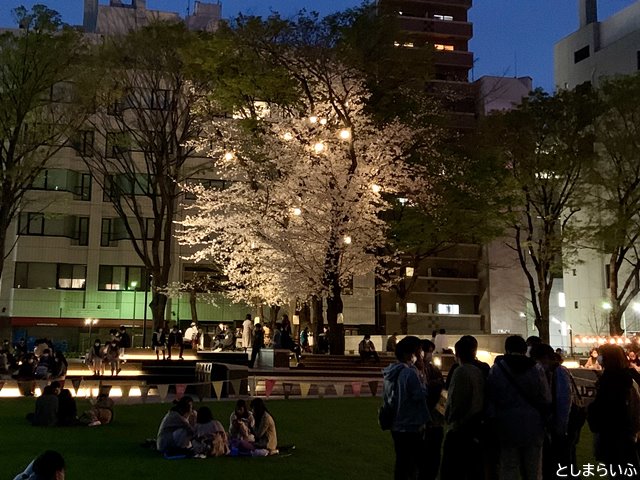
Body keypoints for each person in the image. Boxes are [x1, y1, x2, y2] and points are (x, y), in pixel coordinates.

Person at [486, 335, 551, 480]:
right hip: (533, 425)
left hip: (506, 425)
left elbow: (491, 398)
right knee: (533, 469)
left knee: (509, 467)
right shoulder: (536, 368)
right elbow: (546, 397)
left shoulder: (497, 369)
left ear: (507, 349)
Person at [382, 336, 430, 480]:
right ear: (411, 353)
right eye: (419, 351)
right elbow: (420, 394)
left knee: (402, 463)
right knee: (417, 464)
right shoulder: (410, 373)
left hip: (396, 424)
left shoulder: (391, 372)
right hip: (410, 425)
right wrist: (422, 377)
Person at [587, 344, 640, 473]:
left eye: (601, 355)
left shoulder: (612, 379)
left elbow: (605, 406)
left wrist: (591, 409)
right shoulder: (628, 376)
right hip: (626, 431)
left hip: (613, 431)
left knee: (618, 468)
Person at [440, 337, 486, 480]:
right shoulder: (479, 371)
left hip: (461, 427)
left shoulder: (461, 371)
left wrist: (449, 417)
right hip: (475, 426)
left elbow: (456, 401)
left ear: (457, 354)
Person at [530, 343, 575, 479]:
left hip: (560, 426)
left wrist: (560, 427)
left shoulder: (558, 372)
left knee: (561, 461)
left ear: (544, 358)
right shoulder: (553, 371)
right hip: (555, 425)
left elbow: (563, 400)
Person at [416, 339, 444, 480]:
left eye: (431, 352)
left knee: (434, 452)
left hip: (435, 416)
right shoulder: (416, 370)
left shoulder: (433, 369)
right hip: (422, 417)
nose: (429, 355)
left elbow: (441, 385)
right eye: (427, 351)